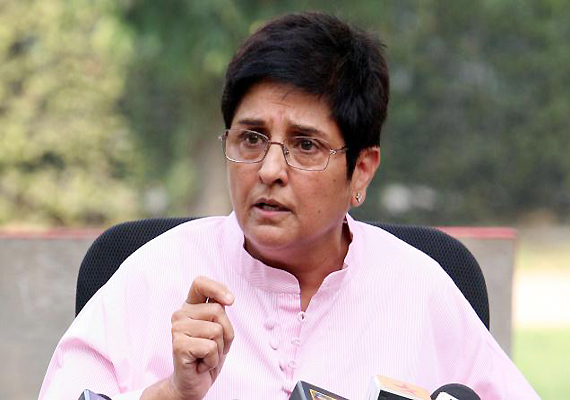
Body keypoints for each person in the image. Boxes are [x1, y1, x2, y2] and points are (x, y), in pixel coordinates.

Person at [39, 12, 538, 400]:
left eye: (305, 145)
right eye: (252, 138)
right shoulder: (152, 274)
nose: (270, 170)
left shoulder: (419, 290)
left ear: (362, 170)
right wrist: (172, 392)